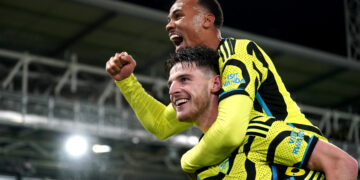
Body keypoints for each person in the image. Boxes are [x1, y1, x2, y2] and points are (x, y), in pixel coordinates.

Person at [105, 0, 358, 179]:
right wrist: (127, 82)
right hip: (246, 156)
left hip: (293, 158)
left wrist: (188, 161)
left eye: (177, 16)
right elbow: (161, 124)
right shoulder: (202, 79)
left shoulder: (238, 53)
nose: (168, 25)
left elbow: (229, 133)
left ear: (207, 20)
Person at [165, 46, 356, 179]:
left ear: (215, 83)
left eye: (184, 79)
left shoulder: (257, 130)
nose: (173, 90)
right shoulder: (201, 161)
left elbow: (342, 163)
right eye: (170, 84)